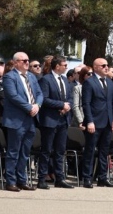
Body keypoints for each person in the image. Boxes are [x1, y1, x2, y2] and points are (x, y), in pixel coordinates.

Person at [2, 52, 44, 192]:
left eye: (27, 60)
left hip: (31, 120)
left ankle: (22, 180)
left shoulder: (31, 76)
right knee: (13, 152)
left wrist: (37, 105)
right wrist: (29, 107)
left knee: (25, 152)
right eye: (23, 60)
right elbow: (13, 96)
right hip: (16, 120)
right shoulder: (9, 77)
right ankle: (10, 181)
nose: (27, 63)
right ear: (15, 63)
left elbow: (39, 94)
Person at [81, 58, 113, 188]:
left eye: (107, 65)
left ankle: (102, 177)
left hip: (107, 122)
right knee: (90, 150)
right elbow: (86, 104)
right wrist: (89, 121)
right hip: (94, 122)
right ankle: (87, 178)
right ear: (96, 67)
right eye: (103, 65)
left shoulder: (109, 82)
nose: (106, 67)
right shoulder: (89, 82)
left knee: (104, 151)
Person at [37, 56, 74, 189]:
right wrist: (61, 105)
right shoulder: (46, 79)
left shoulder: (65, 80)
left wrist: (67, 107)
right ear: (57, 66)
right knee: (46, 150)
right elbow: (44, 99)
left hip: (63, 120)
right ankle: (42, 178)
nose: (66, 67)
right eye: (64, 65)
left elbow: (70, 97)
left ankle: (59, 178)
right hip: (50, 120)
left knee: (60, 151)